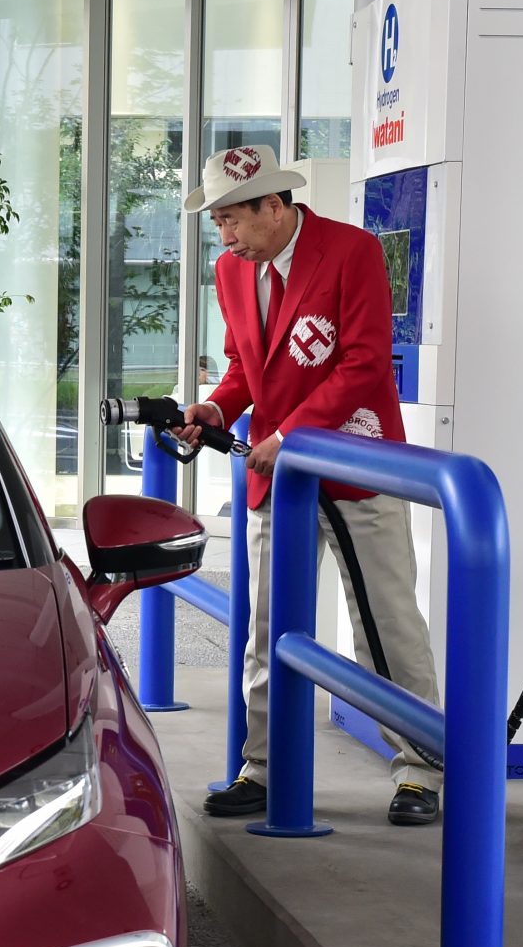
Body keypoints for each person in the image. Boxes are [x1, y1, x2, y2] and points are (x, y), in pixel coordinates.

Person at [171, 144, 443, 826]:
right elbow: (244, 366)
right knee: (265, 629)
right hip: (278, 478)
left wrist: (288, 434)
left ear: (275, 205)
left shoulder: (353, 253)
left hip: (358, 466)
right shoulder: (232, 273)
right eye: (218, 226)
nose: (227, 237)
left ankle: (421, 771)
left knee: (385, 624)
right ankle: (262, 767)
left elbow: (362, 364)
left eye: (234, 220)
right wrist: (217, 408)